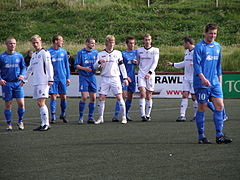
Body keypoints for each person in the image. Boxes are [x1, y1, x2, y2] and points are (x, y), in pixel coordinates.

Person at [193, 23, 232, 144]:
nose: (213, 36)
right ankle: (201, 136)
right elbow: (197, 65)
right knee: (202, 108)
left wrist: (219, 80)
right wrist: (203, 78)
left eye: (215, 33)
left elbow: (218, 65)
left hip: (214, 82)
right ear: (205, 33)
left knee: (219, 106)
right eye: (211, 33)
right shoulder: (199, 47)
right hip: (202, 83)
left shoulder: (217, 46)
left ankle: (219, 136)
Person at [93, 35, 129, 124]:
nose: (111, 44)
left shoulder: (118, 53)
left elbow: (122, 66)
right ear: (106, 43)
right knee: (101, 97)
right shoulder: (100, 54)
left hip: (115, 78)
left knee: (119, 97)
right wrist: (99, 62)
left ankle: (124, 117)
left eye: (113, 42)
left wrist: (125, 77)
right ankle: (101, 117)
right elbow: (94, 67)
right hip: (105, 78)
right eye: (110, 42)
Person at [21, 35, 54, 131]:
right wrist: (24, 80)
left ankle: (46, 124)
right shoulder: (34, 55)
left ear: (41, 42)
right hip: (36, 82)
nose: (35, 44)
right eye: (33, 43)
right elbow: (30, 68)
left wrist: (50, 79)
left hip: (44, 81)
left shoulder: (45, 53)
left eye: (37, 42)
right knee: (39, 103)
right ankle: (43, 123)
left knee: (41, 102)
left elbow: (49, 66)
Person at [165, 36, 197, 122]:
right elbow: (184, 63)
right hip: (186, 77)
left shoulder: (197, 50)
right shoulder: (187, 51)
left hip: (195, 77)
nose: (183, 45)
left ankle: (196, 115)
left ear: (188, 43)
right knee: (185, 95)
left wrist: (195, 63)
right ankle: (182, 115)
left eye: (184, 43)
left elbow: (202, 62)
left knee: (194, 97)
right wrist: (173, 64)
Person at [0, 37, 26, 131]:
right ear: (6, 44)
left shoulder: (19, 56)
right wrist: (0, 79)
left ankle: (20, 121)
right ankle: (9, 123)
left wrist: (22, 75)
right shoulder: (2, 57)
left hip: (17, 84)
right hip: (7, 84)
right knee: (8, 104)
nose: (12, 45)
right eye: (10, 43)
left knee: (21, 104)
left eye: (14, 43)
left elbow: (23, 67)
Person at [112, 36, 137, 122]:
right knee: (122, 96)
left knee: (130, 96)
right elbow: (120, 66)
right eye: (130, 43)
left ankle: (125, 114)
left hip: (133, 77)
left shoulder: (136, 52)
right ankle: (115, 115)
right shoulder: (122, 53)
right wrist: (125, 77)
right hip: (124, 77)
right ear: (127, 44)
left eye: (133, 43)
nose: (132, 45)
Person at [75, 37, 98, 124]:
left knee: (93, 98)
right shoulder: (81, 53)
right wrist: (84, 68)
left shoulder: (96, 53)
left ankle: (90, 117)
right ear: (87, 43)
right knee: (84, 97)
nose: (93, 45)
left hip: (92, 77)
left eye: (94, 43)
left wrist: (100, 65)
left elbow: (97, 64)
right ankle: (81, 117)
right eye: (92, 43)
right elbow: (76, 65)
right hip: (83, 77)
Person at [48, 35, 71, 124]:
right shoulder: (48, 52)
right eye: (61, 40)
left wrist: (68, 77)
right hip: (53, 78)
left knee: (63, 96)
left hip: (62, 78)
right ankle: (53, 116)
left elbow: (66, 66)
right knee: (53, 96)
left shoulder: (64, 52)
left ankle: (63, 114)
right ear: (56, 41)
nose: (62, 42)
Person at [137, 34, 159, 121]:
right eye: (146, 40)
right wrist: (135, 62)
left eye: (149, 40)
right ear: (143, 40)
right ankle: (142, 115)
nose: (147, 41)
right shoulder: (139, 50)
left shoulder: (155, 50)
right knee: (142, 92)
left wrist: (150, 72)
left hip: (150, 74)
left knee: (149, 95)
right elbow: (138, 61)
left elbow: (155, 62)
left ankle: (148, 115)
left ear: (151, 40)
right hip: (141, 74)